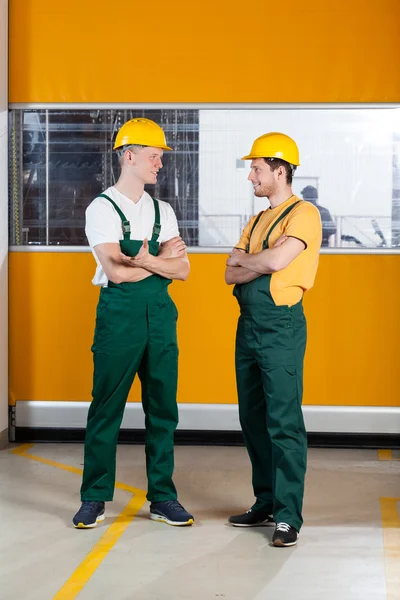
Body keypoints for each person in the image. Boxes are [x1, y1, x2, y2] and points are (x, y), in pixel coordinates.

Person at [73, 118, 194, 528]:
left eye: (160, 157)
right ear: (129, 156)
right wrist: (159, 262)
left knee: (163, 410)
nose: (159, 164)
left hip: (160, 318)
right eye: (153, 156)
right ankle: (94, 498)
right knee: (106, 408)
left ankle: (163, 497)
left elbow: (184, 271)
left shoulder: (163, 209)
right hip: (119, 318)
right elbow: (118, 273)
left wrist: (145, 261)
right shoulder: (101, 208)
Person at [225, 132, 322, 547]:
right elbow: (230, 272)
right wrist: (255, 261)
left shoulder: (304, 214)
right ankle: (265, 501)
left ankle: (288, 516)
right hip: (247, 326)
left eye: (257, 169)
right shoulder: (257, 220)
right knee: (252, 420)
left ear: (279, 171)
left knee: (283, 422)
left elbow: (281, 260)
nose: (251, 177)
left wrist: (255, 260)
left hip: (281, 326)